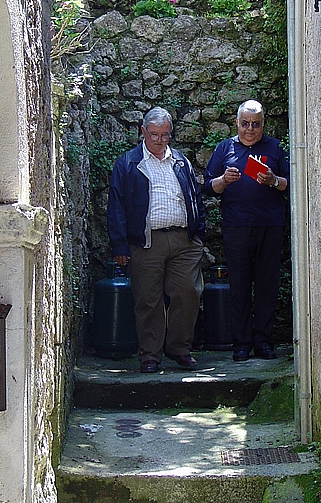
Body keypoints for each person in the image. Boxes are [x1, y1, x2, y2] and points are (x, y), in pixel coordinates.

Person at [107, 107, 206, 373]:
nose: (160, 141)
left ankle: (179, 349)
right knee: (148, 300)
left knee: (188, 293)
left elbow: (195, 197)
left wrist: (199, 231)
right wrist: (119, 245)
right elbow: (116, 206)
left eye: (165, 135)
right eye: (154, 135)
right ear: (142, 132)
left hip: (184, 240)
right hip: (147, 242)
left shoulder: (180, 162)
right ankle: (150, 355)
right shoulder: (128, 164)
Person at [203, 100, 289, 362]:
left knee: (267, 285)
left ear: (263, 124)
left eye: (256, 124)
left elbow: (292, 183)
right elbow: (207, 187)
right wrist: (223, 181)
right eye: (245, 123)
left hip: (270, 226)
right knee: (239, 285)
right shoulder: (225, 148)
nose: (250, 129)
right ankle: (241, 344)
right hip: (236, 226)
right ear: (237, 123)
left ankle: (263, 342)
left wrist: (273, 180)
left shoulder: (274, 148)